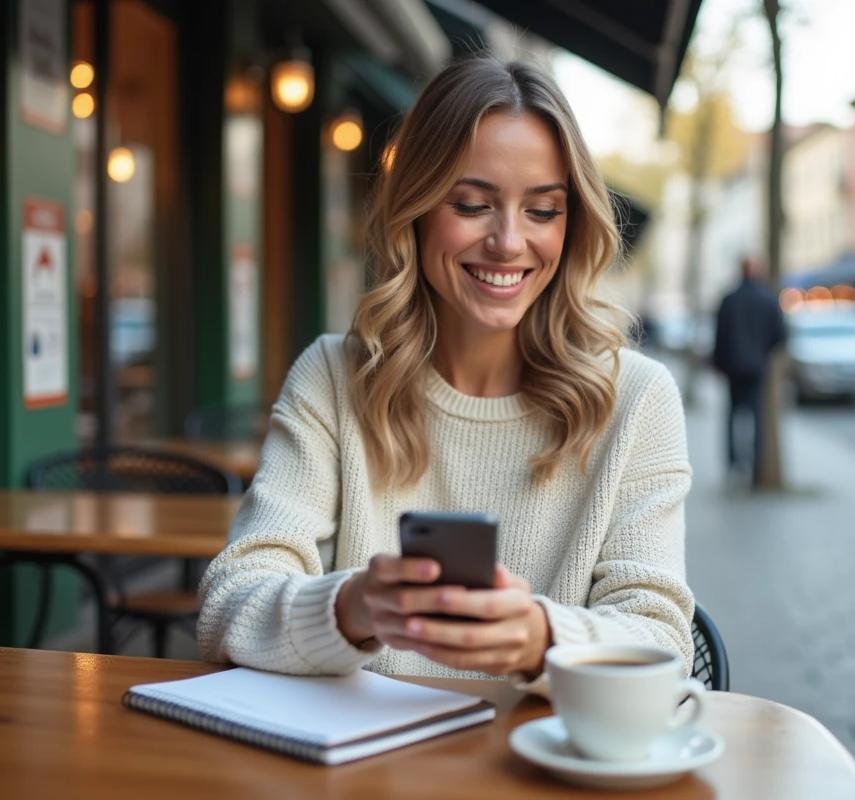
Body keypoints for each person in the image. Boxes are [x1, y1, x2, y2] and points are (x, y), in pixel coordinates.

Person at [197, 55, 695, 694]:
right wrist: (352, 608)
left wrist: (543, 641)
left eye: (543, 211)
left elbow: (662, 639)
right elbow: (226, 605)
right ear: (418, 207)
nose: (509, 242)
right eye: (471, 204)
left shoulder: (636, 400)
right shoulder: (334, 377)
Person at [711, 256, 786, 485]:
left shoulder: (729, 299)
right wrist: (763, 352)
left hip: (733, 367)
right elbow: (780, 334)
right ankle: (756, 464)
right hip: (757, 367)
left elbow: (720, 336)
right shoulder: (768, 299)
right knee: (757, 416)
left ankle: (733, 463)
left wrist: (719, 363)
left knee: (733, 415)